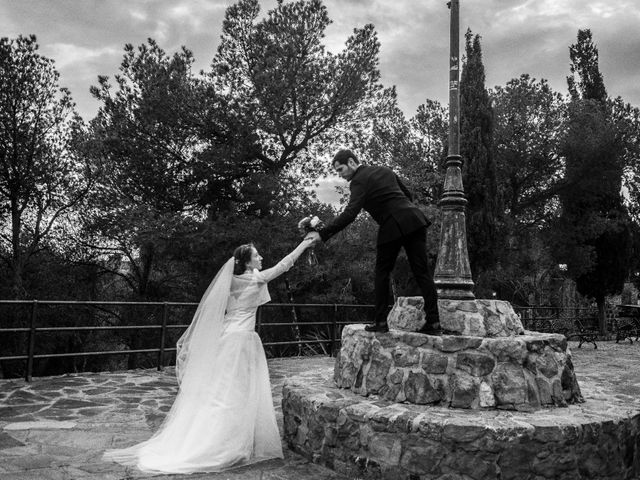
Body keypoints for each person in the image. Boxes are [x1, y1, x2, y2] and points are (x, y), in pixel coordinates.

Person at [103, 238, 315, 474]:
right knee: (236, 392)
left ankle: (222, 436)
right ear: (246, 262)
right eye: (257, 256)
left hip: (226, 339)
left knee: (222, 392)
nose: (261, 259)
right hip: (242, 341)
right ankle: (224, 442)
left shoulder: (231, 282)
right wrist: (305, 244)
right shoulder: (254, 278)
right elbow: (285, 264)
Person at [308, 149, 440, 334]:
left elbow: (350, 214)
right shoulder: (385, 170)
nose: (340, 174)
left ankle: (380, 323)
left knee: (382, 273)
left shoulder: (359, 181)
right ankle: (434, 323)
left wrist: (323, 234)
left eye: (340, 169)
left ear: (352, 162)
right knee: (422, 273)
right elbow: (407, 195)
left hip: (391, 224)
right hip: (414, 219)